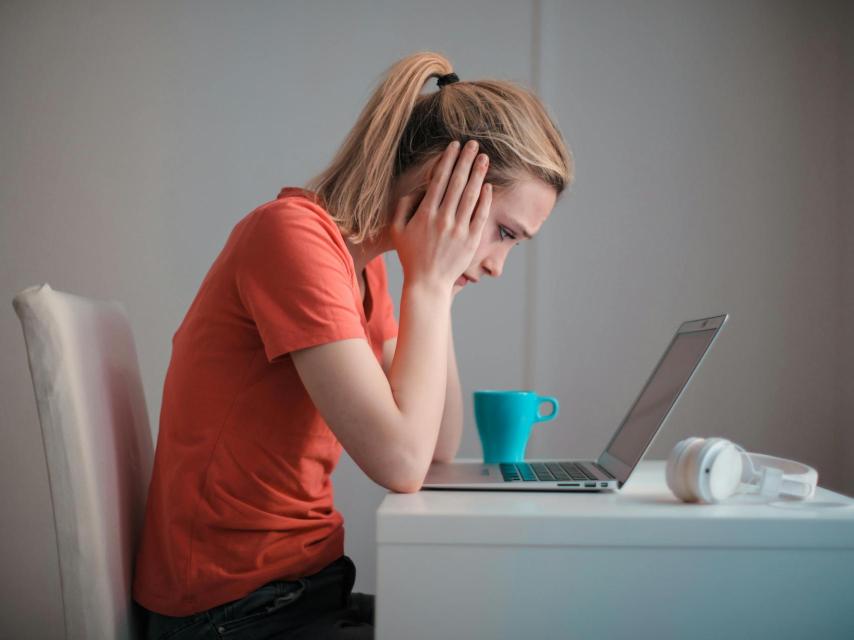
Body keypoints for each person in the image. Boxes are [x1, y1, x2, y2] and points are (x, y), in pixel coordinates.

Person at [133, 50, 573, 639]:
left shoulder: (364, 269)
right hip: (231, 611)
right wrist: (431, 284)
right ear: (447, 184)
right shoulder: (292, 239)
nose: (499, 265)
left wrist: (438, 284)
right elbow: (401, 464)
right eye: (504, 233)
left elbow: (436, 445)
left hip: (302, 589)